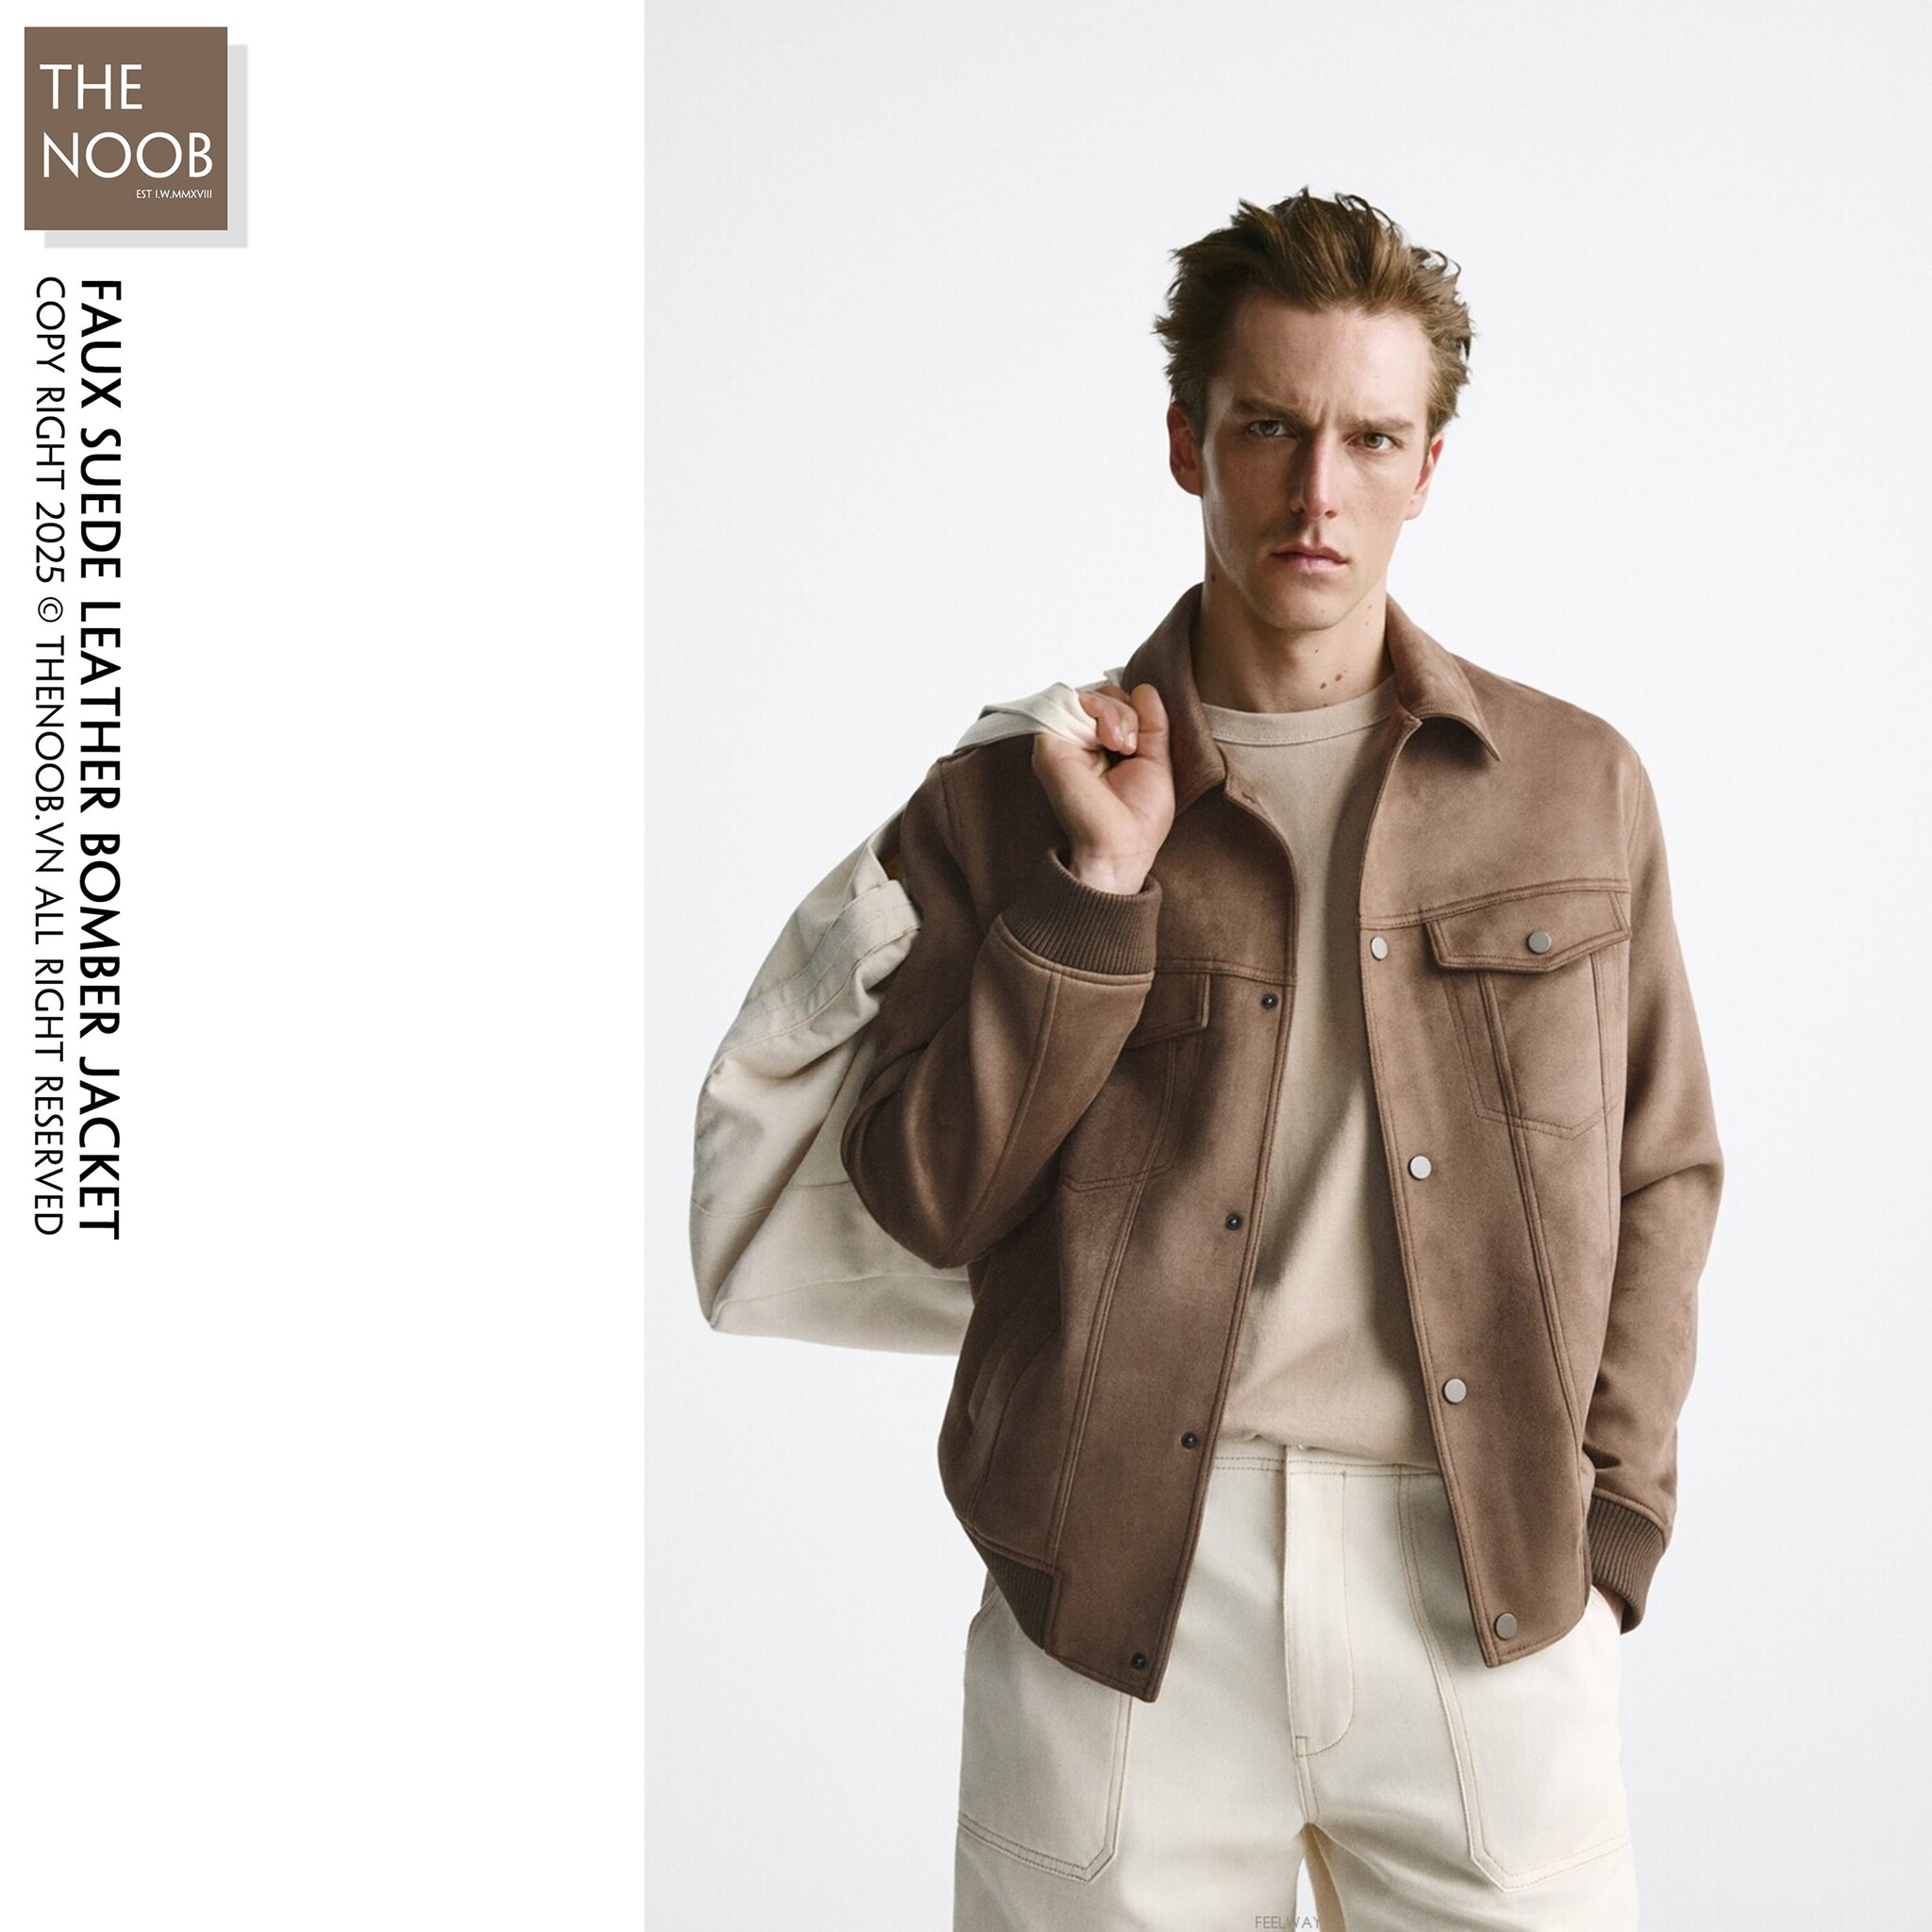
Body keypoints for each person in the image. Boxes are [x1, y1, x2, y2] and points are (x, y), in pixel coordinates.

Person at [838, 190, 1724, 1928]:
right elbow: (929, 1196)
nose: (1319, 491)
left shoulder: (1572, 787)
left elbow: (1661, 1167)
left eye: (1370, 439)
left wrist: (1611, 1525)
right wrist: (1095, 892)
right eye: (1270, 430)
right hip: (1114, 1605)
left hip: (1481, 1582)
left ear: (1427, 466)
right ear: (1188, 443)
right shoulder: (1009, 801)